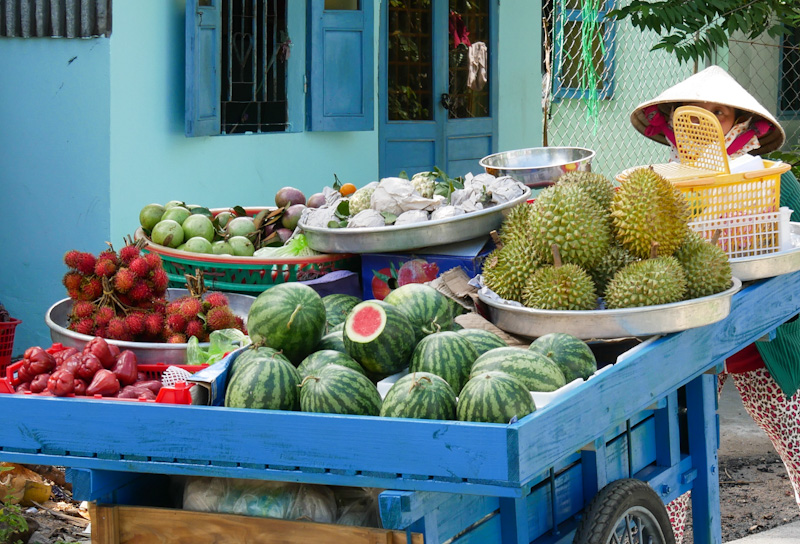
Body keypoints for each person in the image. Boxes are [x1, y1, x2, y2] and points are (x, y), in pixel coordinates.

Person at [630, 65, 800, 544]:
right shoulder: (664, 187)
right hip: (691, 338)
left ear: (740, 124)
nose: (703, 121)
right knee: (678, 459)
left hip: (763, 343)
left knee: (797, 439)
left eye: (717, 113)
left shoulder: (768, 179)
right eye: (692, 114)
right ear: (672, 124)